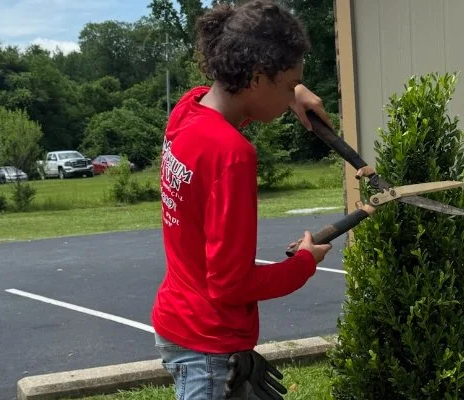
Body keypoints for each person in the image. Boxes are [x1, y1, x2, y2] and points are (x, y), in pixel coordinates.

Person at [151, 1, 334, 398]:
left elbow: (231, 110)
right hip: (208, 346)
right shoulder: (232, 155)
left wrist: (294, 88)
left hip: (179, 321)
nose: (291, 101)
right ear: (255, 78)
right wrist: (304, 263)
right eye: (287, 87)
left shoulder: (188, 110)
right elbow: (230, 285)